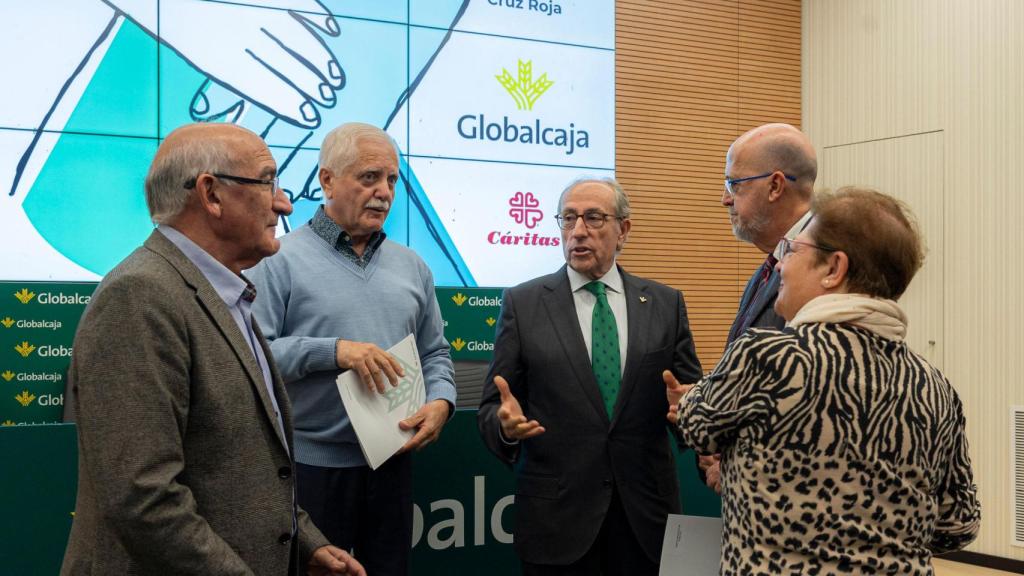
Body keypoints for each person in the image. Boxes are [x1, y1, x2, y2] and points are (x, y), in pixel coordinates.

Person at [61, 123, 364, 575]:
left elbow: (245, 466)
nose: (284, 203)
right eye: (268, 182)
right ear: (212, 194)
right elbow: (145, 499)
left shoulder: (226, 294)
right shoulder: (141, 297)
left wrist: (306, 543)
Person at [668, 187, 981, 574]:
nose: (780, 266)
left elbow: (697, 426)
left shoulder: (767, 356)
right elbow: (958, 525)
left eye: (793, 251)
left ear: (834, 269)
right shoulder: (936, 388)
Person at [248, 122, 456, 575]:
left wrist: (442, 402)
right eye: (369, 178)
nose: (383, 192)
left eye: (392, 180)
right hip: (309, 470)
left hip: (393, 463)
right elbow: (250, 358)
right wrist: (333, 351)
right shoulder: (276, 260)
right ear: (327, 181)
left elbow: (436, 354)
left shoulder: (413, 266)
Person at [478, 177, 703, 575]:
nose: (578, 231)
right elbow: (493, 407)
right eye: (568, 218)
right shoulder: (524, 304)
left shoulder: (665, 304)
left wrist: (687, 412)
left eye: (593, 217)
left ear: (624, 230)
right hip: (557, 522)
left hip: (645, 520)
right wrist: (506, 427)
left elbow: (691, 403)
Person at [701, 122, 818, 492]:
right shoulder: (769, 267)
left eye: (734, 184)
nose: (724, 199)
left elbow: (809, 395)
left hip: (792, 499)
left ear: (775, 185)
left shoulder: (825, 263)